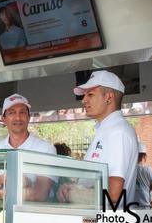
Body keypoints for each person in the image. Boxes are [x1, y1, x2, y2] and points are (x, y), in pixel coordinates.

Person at [57, 70, 138, 205]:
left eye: (90, 94)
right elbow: (94, 183)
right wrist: (72, 187)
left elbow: (113, 194)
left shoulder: (118, 132)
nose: (84, 100)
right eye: (84, 95)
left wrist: (72, 193)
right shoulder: (106, 130)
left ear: (109, 98)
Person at [0, 93, 56, 201]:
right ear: (3, 118)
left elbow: (39, 195)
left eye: (22, 112)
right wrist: (3, 179)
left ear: (28, 117)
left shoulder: (45, 149)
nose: (18, 117)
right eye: (12, 113)